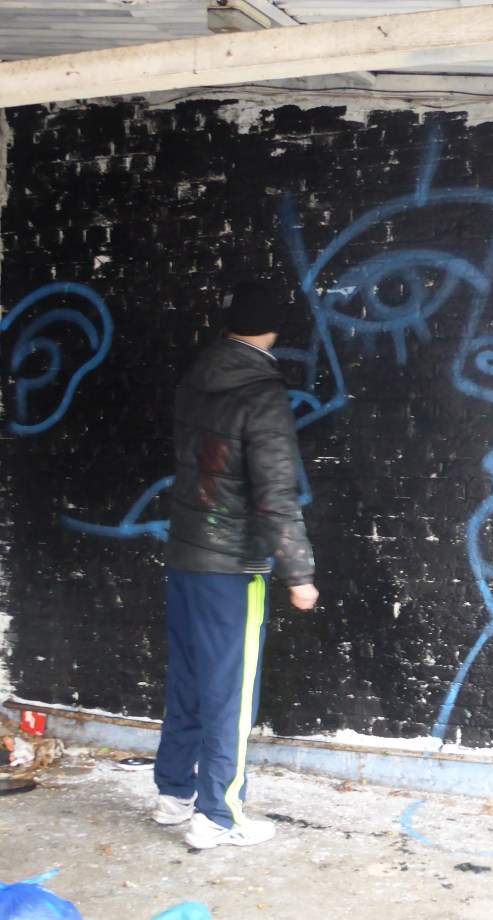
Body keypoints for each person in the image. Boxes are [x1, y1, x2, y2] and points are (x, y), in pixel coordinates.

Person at [152, 280, 318, 849]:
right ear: (273, 330)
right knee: (230, 692)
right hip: (231, 567)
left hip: (186, 555)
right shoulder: (262, 393)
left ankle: (174, 795)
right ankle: (218, 817)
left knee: (189, 681)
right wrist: (298, 574)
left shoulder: (196, 378)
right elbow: (275, 492)